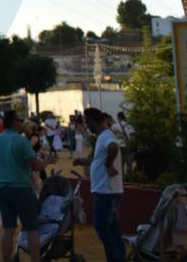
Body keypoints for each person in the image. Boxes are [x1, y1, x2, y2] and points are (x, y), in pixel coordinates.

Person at [0, 110, 47, 262]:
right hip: (21, 189)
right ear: (14, 122)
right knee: (32, 228)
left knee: (8, 228)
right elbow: (35, 165)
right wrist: (47, 162)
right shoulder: (21, 141)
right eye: (20, 120)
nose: (22, 123)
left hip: (1, 189)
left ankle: (6, 259)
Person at [75, 107, 125, 262]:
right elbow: (98, 158)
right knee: (113, 228)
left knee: (102, 228)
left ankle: (115, 259)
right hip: (110, 190)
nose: (86, 126)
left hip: (105, 191)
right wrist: (82, 161)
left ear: (92, 122)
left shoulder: (106, 136)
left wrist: (108, 165)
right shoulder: (104, 136)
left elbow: (113, 147)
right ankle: (119, 257)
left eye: (87, 122)